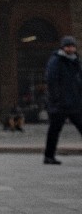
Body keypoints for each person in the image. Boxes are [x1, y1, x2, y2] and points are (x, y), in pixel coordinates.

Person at [43, 35, 82, 165]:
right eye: (68, 46)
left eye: (72, 46)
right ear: (63, 47)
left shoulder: (76, 61)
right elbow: (51, 81)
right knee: (54, 130)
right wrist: (56, 99)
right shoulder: (56, 61)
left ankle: (49, 156)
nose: (70, 49)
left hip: (75, 102)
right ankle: (49, 156)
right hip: (60, 104)